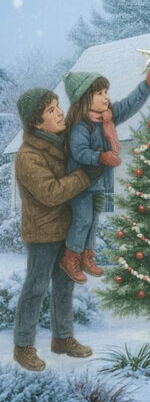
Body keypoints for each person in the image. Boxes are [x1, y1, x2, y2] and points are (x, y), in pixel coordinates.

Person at [12, 88, 101, 371]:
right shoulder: (28, 156)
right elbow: (50, 192)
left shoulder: (61, 143)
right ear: (37, 123)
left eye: (57, 106)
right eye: (51, 110)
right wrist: (84, 177)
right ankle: (23, 346)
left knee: (64, 285)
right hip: (42, 233)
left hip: (66, 228)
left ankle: (62, 338)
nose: (60, 112)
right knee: (36, 287)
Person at [61, 68, 150, 283]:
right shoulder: (80, 126)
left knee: (93, 221)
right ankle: (71, 257)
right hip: (80, 183)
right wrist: (102, 157)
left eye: (106, 92)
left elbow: (128, 105)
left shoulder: (106, 119)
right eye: (100, 94)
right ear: (86, 99)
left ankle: (87, 255)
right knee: (82, 220)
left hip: (97, 184)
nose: (106, 97)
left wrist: (147, 85)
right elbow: (79, 151)